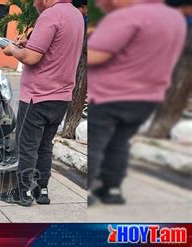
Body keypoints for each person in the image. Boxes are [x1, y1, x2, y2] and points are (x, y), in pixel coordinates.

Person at [87, 0, 186, 205]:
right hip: (148, 97)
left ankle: (87, 191)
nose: (101, 3)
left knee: (95, 144)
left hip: (111, 95)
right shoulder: (175, 18)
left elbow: (95, 56)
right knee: (120, 142)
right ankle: (112, 190)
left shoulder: (127, 17)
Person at [0, 0, 84, 207]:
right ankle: (41, 190)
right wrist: (29, 43)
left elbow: (30, 58)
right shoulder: (76, 16)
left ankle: (22, 192)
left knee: (27, 146)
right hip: (61, 97)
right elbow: (56, 49)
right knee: (45, 146)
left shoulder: (51, 15)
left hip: (38, 96)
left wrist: (11, 50)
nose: (35, 3)